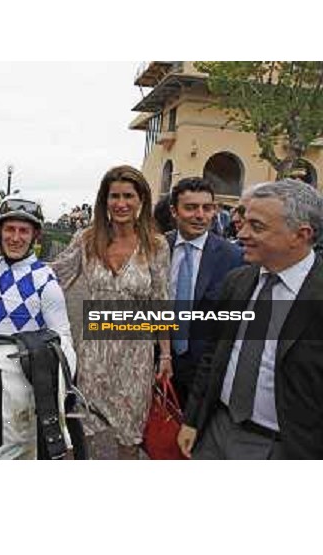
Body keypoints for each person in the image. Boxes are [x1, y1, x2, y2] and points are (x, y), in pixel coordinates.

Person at [177, 179, 323, 459]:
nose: (241, 233)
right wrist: (193, 419)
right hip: (216, 431)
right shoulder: (238, 281)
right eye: (243, 222)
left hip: (286, 448)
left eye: (257, 226)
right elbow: (214, 355)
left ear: (300, 235)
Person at [51, 165, 172, 459]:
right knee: (86, 434)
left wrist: (165, 354)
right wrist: (9, 269)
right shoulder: (87, 239)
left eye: (128, 196)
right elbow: (54, 277)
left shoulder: (155, 244)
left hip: (136, 354)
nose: (121, 203)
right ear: (104, 201)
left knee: (129, 439)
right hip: (95, 351)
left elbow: (161, 300)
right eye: (114, 196)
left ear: (141, 199)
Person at [167, 177, 243, 409]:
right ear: (174, 211)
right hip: (159, 362)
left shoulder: (234, 257)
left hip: (205, 372)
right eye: (190, 208)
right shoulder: (157, 248)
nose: (200, 215)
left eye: (207, 208)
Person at [0, 196, 76, 374]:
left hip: (22, 380)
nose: (15, 238)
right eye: (9, 229)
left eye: (24, 231)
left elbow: (63, 339)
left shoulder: (46, 281)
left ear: (35, 236)